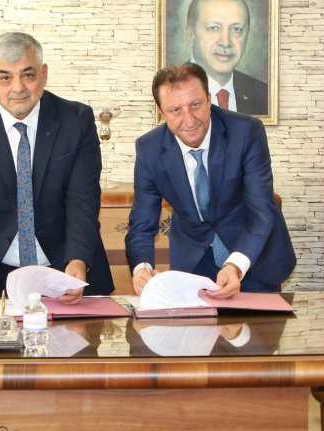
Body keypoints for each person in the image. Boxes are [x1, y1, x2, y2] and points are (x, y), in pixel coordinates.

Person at [0, 31, 114, 304]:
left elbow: (83, 201)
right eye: (5, 77)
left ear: (43, 75)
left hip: (66, 269)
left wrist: (78, 258)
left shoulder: (76, 121)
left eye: (28, 75)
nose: (18, 88)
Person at [126, 62, 295, 297]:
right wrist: (141, 267)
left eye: (195, 105)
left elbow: (261, 210)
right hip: (194, 263)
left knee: (257, 322)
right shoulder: (149, 149)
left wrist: (235, 265)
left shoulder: (246, 132)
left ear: (208, 98)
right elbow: (142, 224)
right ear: (161, 111)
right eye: (175, 110)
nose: (189, 120)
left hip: (252, 257)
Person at [185, 0, 269, 116]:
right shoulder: (168, 90)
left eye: (236, 29)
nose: (225, 42)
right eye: (213, 28)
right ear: (191, 34)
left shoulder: (264, 94)